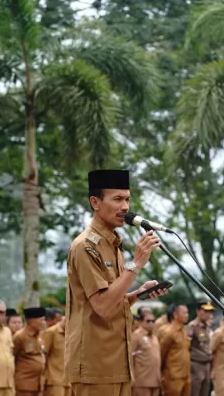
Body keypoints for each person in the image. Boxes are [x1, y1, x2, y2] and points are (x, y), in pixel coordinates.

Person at [65, 169, 166, 396]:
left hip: (118, 362)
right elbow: (101, 306)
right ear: (95, 202)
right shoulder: (85, 246)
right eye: (117, 199)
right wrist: (136, 264)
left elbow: (113, 302)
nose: (126, 207)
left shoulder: (113, 244)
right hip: (95, 365)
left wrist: (137, 294)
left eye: (128, 199)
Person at [14, 307, 47, 396]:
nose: (44, 323)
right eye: (41, 320)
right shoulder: (20, 337)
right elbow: (13, 358)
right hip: (24, 385)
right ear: (31, 321)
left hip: (38, 384)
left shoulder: (40, 336)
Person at [160, 304, 191, 396]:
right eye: (184, 313)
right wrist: (162, 373)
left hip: (186, 375)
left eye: (187, 313)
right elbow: (162, 354)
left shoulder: (185, 330)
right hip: (173, 376)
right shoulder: (168, 331)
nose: (187, 315)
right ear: (175, 315)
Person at [131, 310, 160, 396]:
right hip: (141, 381)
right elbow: (130, 357)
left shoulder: (154, 337)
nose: (151, 323)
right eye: (148, 321)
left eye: (153, 321)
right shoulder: (136, 335)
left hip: (155, 380)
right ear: (140, 322)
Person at [188, 301, 213, 396]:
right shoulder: (192, 326)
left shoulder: (207, 326)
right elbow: (187, 346)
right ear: (198, 311)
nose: (209, 313)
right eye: (206, 311)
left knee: (205, 392)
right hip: (196, 365)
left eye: (210, 311)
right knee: (195, 392)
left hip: (207, 364)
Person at [42, 313, 70, 396]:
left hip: (68, 380)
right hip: (54, 379)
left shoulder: (72, 333)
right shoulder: (51, 332)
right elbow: (43, 356)